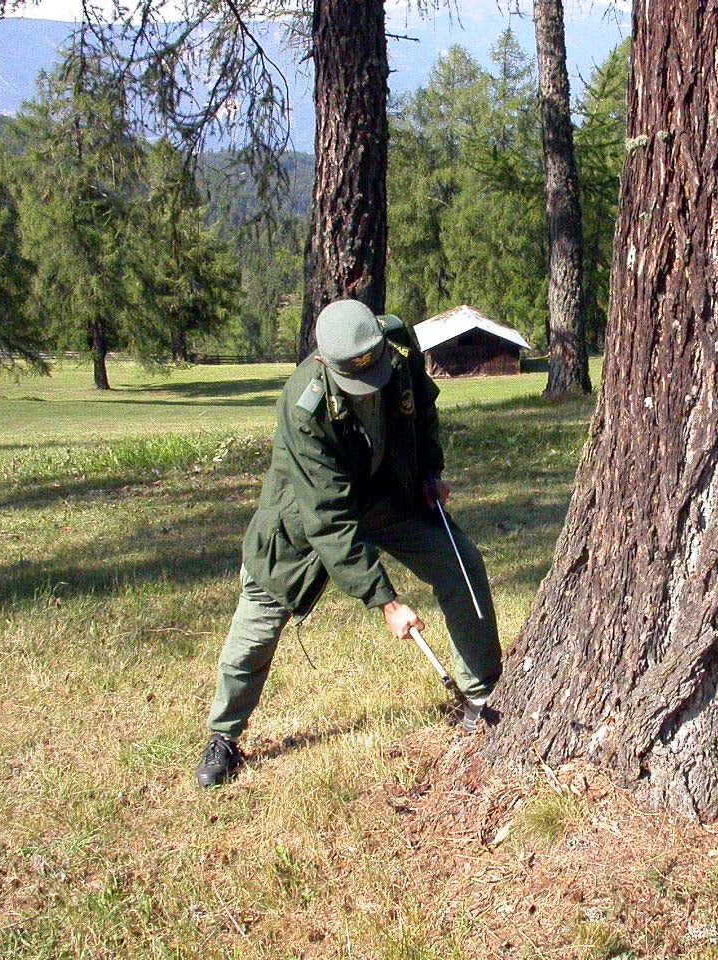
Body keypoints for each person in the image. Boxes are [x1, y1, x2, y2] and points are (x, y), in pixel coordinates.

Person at [194, 299, 502, 787]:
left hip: (386, 492)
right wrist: (386, 601)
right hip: (304, 517)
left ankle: (483, 693)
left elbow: (421, 409)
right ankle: (223, 736)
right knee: (255, 627)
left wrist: (429, 470)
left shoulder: (399, 345)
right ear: (324, 363)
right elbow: (330, 518)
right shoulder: (304, 409)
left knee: (458, 561)